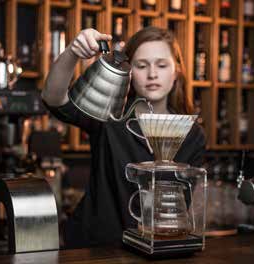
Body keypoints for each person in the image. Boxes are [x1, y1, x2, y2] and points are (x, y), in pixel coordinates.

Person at [41, 26, 206, 248]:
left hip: (155, 249)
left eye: (162, 64)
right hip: (94, 249)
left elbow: (180, 208)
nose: (152, 74)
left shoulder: (192, 134)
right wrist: (72, 52)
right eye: (141, 65)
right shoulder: (110, 116)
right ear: (128, 70)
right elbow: (54, 99)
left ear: (176, 70)